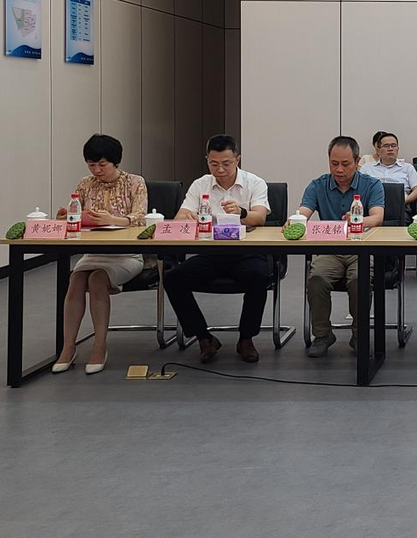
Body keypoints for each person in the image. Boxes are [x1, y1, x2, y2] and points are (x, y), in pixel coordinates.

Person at [163, 134, 271, 364]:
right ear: (207, 160)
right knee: (173, 278)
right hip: (211, 253)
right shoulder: (200, 184)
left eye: (226, 163)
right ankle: (204, 338)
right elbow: (180, 216)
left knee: (259, 275)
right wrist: (188, 217)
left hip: (245, 251)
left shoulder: (255, 183)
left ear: (237, 160)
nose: (220, 169)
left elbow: (260, 218)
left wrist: (241, 212)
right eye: (214, 164)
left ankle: (246, 338)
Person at [52, 134, 148, 375]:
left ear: (115, 161)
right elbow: (76, 216)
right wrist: (66, 217)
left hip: (126, 255)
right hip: (93, 252)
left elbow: (141, 218)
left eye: (102, 165)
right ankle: (68, 347)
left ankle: (99, 346)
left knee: (97, 279)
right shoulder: (85, 184)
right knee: (75, 279)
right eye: (91, 164)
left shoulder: (135, 182)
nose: (96, 170)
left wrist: (113, 219)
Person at [299, 136, 385, 357]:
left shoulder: (372, 184)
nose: (339, 169)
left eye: (345, 164)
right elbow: (303, 212)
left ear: (357, 161)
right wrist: (295, 220)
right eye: (334, 163)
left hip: (362, 248)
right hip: (330, 249)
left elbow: (377, 217)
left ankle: (359, 334)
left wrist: (358, 220)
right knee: (316, 278)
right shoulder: (318, 185)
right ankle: (322, 335)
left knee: (359, 280)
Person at [362, 132, 417, 205]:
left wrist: (404, 201)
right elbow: (359, 188)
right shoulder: (366, 168)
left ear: (398, 149)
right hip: (372, 205)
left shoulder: (408, 168)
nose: (390, 149)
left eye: (393, 145)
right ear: (378, 150)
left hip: (400, 205)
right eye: (386, 146)